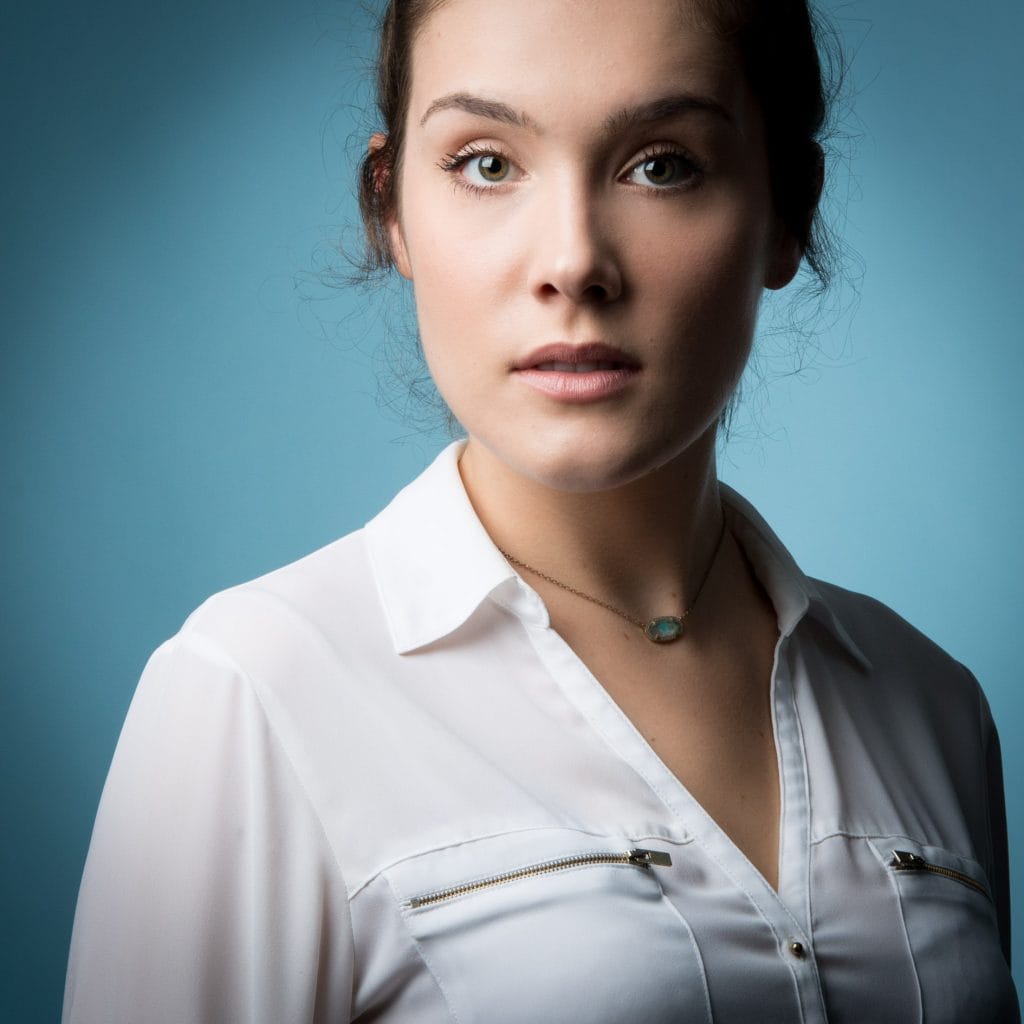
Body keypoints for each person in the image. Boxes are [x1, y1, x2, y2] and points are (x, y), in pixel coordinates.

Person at [62, 0, 1019, 1020]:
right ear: (390, 208)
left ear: (786, 209)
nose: (571, 262)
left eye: (661, 163)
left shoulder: (931, 706)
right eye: (485, 162)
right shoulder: (253, 691)